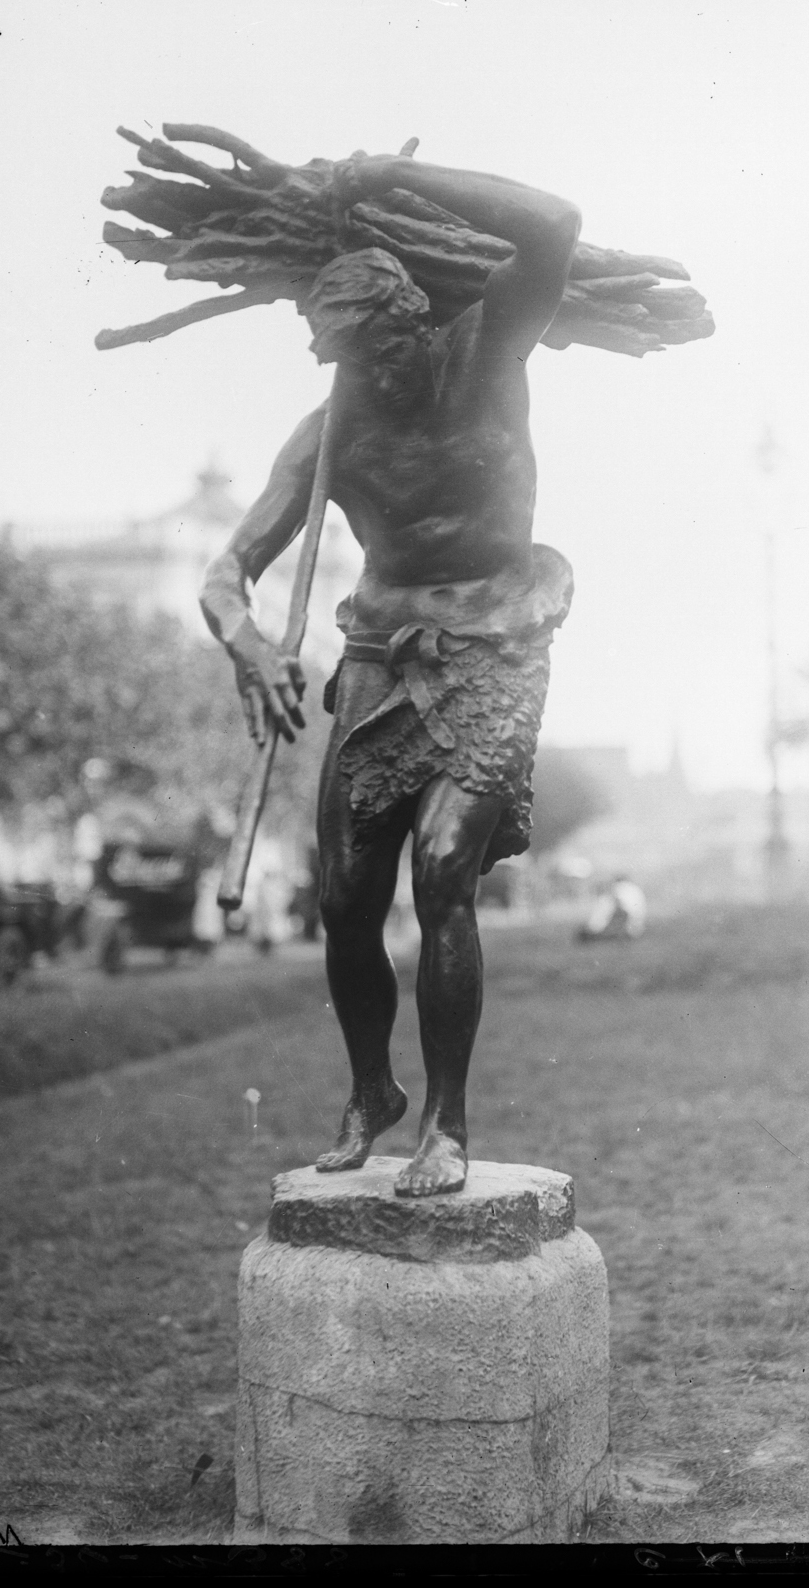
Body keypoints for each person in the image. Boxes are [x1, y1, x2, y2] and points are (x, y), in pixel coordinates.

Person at [200, 150, 581, 1196]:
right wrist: (246, 643)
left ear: (413, 322)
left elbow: (553, 221)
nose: (369, 378)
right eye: (347, 364)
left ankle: (446, 1125)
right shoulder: (331, 433)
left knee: (444, 868)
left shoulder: (489, 352)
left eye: (377, 354)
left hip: (494, 642)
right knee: (343, 897)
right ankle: (372, 1090)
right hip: (377, 657)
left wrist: (381, 178)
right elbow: (228, 570)